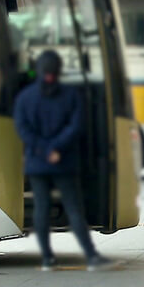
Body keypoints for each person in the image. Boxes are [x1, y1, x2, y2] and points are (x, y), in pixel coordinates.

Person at [14, 50, 116, 271]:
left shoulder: (25, 97)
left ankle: (47, 259)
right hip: (63, 161)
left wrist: (43, 149)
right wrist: (55, 148)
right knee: (74, 208)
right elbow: (76, 126)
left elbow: (23, 130)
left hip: (37, 161)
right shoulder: (71, 95)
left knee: (41, 209)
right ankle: (91, 256)